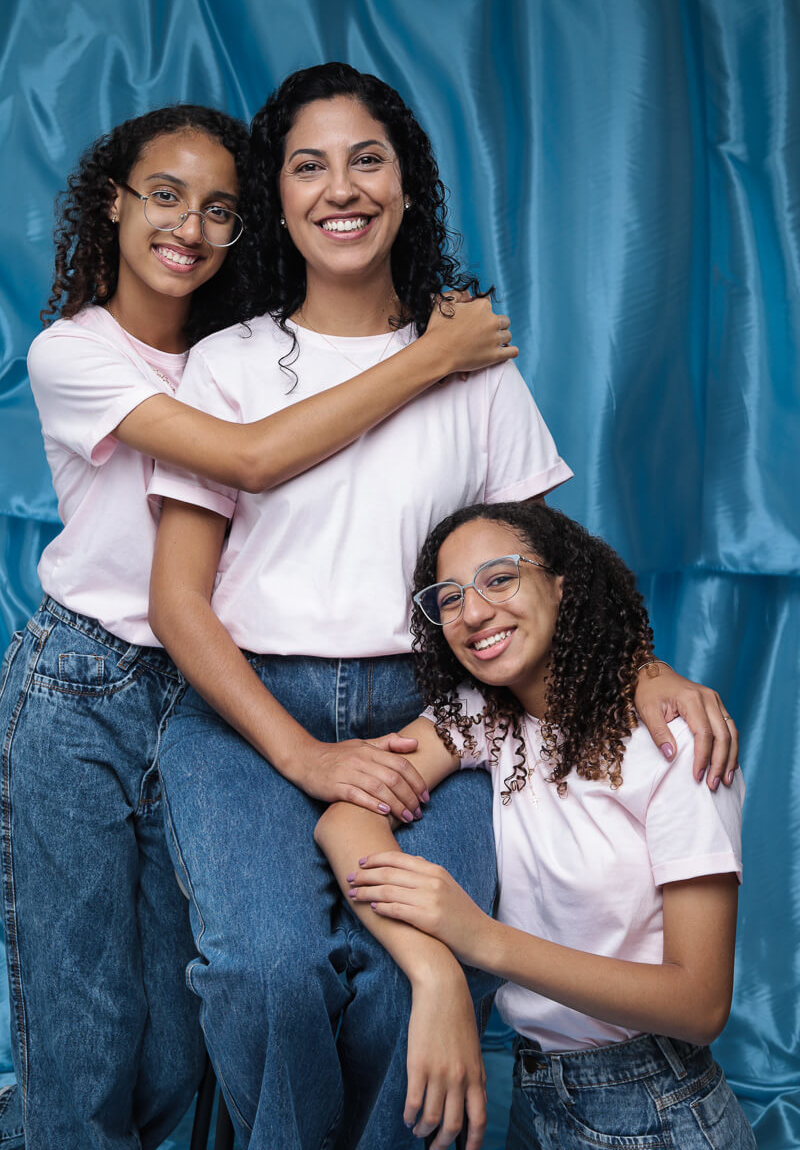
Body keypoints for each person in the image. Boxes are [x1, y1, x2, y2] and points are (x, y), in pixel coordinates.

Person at [147, 62, 739, 1149]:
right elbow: (178, 606)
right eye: (307, 165)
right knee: (265, 973)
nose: (341, 188)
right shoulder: (226, 364)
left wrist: (643, 668)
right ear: (277, 198)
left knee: (415, 978)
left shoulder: (476, 369)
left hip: (433, 712)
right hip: (241, 709)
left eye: (367, 159)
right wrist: (300, 755)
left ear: (407, 184)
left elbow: (545, 565)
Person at [0, 102, 515, 1150]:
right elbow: (248, 461)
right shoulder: (73, 354)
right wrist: (430, 356)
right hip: (88, 685)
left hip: (200, 685)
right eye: (163, 195)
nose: (188, 225)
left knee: (176, 1027)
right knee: (84, 1010)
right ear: (113, 200)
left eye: (220, 209)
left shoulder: (226, 352)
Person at [317, 501, 755, 1150]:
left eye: (499, 578)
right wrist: (434, 971)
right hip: (534, 1096)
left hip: (654, 1109)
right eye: (450, 597)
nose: (472, 613)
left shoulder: (674, 741)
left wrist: (479, 939)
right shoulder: (490, 721)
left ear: (561, 584)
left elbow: (701, 1005)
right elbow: (346, 816)